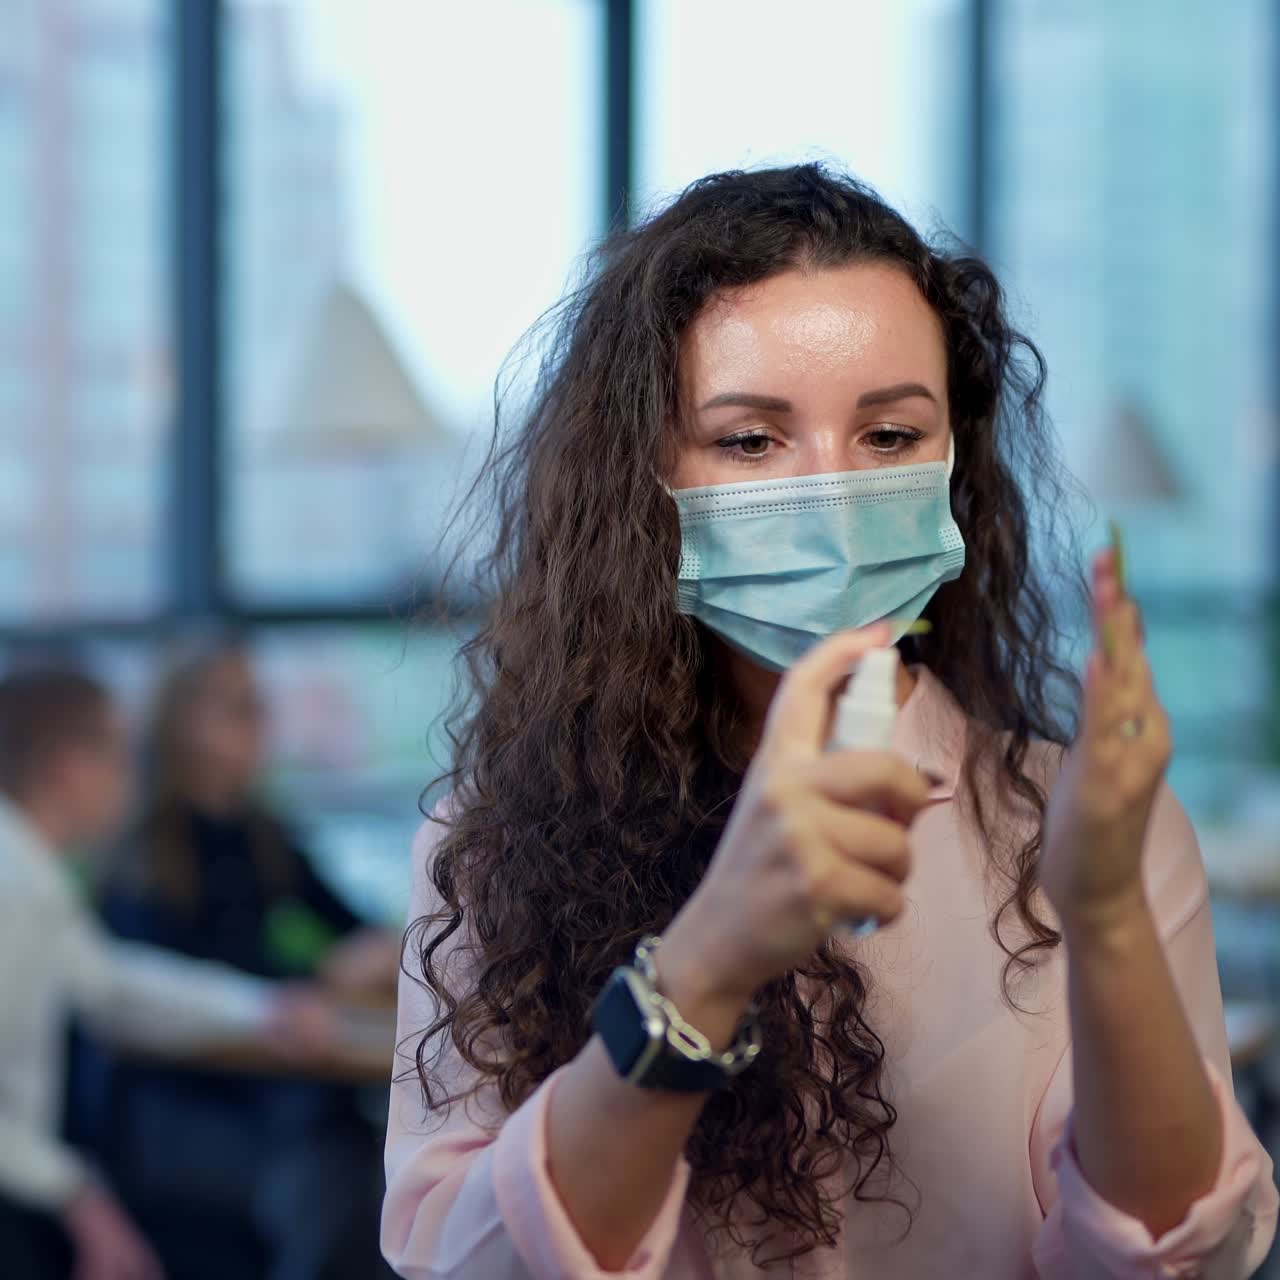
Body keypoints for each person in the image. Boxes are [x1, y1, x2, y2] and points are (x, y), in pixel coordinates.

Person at [382, 164, 1279, 1279]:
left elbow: (1179, 1254)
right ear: (641, 480)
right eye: (751, 441)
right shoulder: (490, 845)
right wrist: (709, 956)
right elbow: (471, 1264)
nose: (834, 495)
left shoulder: (1085, 825)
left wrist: (1099, 917)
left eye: (890, 435)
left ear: (954, 464)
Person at [84, 638, 397, 1280]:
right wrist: (320, 974)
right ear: (187, 724)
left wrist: (386, 946)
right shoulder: (142, 848)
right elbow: (172, 981)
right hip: (172, 1103)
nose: (263, 727)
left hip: (268, 1083)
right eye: (242, 709)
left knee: (352, 1149)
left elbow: (348, 923)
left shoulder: (261, 830)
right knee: (333, 1171)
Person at [0, 667, 325, 1280]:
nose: (131, 778)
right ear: (68, 766)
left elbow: (110, 982)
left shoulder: (32, 877)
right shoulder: (11, 889)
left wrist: (260, 1010)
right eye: (119, 756)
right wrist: (78, 1196)